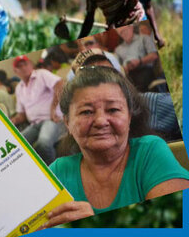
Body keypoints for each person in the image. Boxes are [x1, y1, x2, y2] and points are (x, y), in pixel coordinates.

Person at [45, 67, 189, 226]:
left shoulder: (150, 152)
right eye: (86, 112)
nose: (100, 121)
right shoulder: (57, 173)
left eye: (113, 109)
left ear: (129, 117)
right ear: (67, 123)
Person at [10, 55, 65, 164]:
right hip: (34, 124)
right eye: (19, 66)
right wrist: (11, 122)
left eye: (25, 64)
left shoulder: (41, 74)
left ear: (31, 65)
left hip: (51, 120)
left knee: (43, 143)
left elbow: (60, 84)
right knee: (16, 146)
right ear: (16, 71)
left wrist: (53, 108)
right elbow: (21, 115)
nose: (23, 68)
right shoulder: (19, 88)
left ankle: (53, 174)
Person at [115, 25, 159, 92]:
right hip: (128, 75)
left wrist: (140, 61)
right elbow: (118, 67)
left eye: (124, 31)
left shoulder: (144, 38)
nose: (124, 34)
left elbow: (154, 55)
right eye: (121, 33)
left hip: (145, 71)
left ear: (131, 27)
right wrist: (124, 68)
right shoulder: (118, 49)